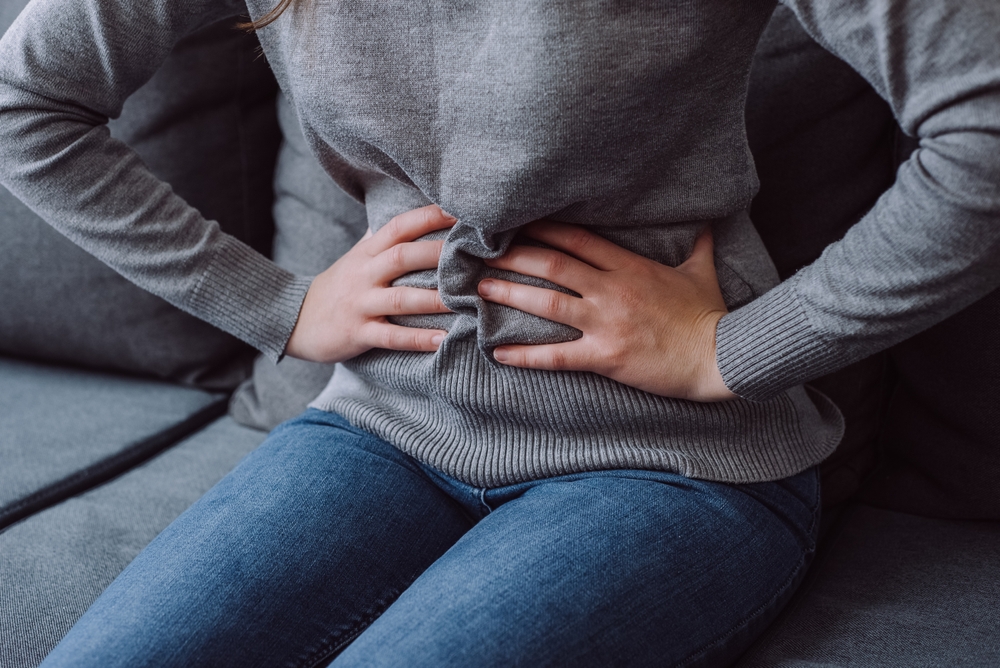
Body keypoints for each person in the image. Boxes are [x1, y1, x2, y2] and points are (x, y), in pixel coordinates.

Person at [0, 0, 998, 665]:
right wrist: (279, 306)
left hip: (669, 460)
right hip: (382, 426)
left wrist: (740, 349)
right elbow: (26, 100)